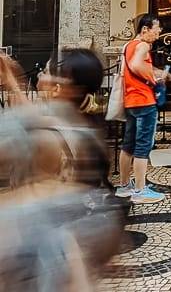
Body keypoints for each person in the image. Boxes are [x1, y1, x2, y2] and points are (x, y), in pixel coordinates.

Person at [0, 48, 126, 290]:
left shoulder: (53, 135)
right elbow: (33, 120)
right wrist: (13, 83)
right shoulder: (80, 127)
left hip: (47, 256)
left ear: (60, 87)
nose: (40, 76)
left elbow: (30, 130)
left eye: (46, 72)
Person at [117, 13, 170, 204]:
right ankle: (140, 190)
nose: (158, 35)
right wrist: (153, 77)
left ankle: (124, 186)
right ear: (145, 29)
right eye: (156, 31)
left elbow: (129, 68)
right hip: (144, 100)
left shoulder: (128, 46)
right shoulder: (143, 45)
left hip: (130, 101)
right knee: (143, 146)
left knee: (128, 144)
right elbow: (137, 64)